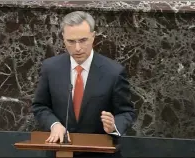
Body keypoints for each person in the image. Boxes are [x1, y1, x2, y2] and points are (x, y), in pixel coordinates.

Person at [32, 11, 136, 158]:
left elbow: (127, 112)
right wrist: (54, 125)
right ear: (63, 38)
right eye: (71, 41)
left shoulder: (113, 72)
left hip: (100, 153)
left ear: (93, 37)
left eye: (83, 40)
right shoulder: (51, 68)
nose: (77, 48)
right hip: (61, 151)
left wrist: (114, 126)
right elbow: (40, 106)